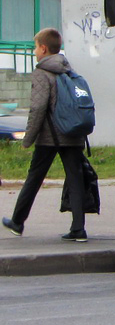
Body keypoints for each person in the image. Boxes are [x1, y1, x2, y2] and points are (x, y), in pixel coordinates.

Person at [2, 28, 89, 242]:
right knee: (75, 178)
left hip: (50, 136)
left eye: (34, 47)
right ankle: (79, 229)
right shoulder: (68, 70)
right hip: (73, 132)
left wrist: (28, 138)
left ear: (42, 48)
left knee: (34, 178)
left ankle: (17, 222)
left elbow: (38, 108)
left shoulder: (42, 72)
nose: (34, 52)